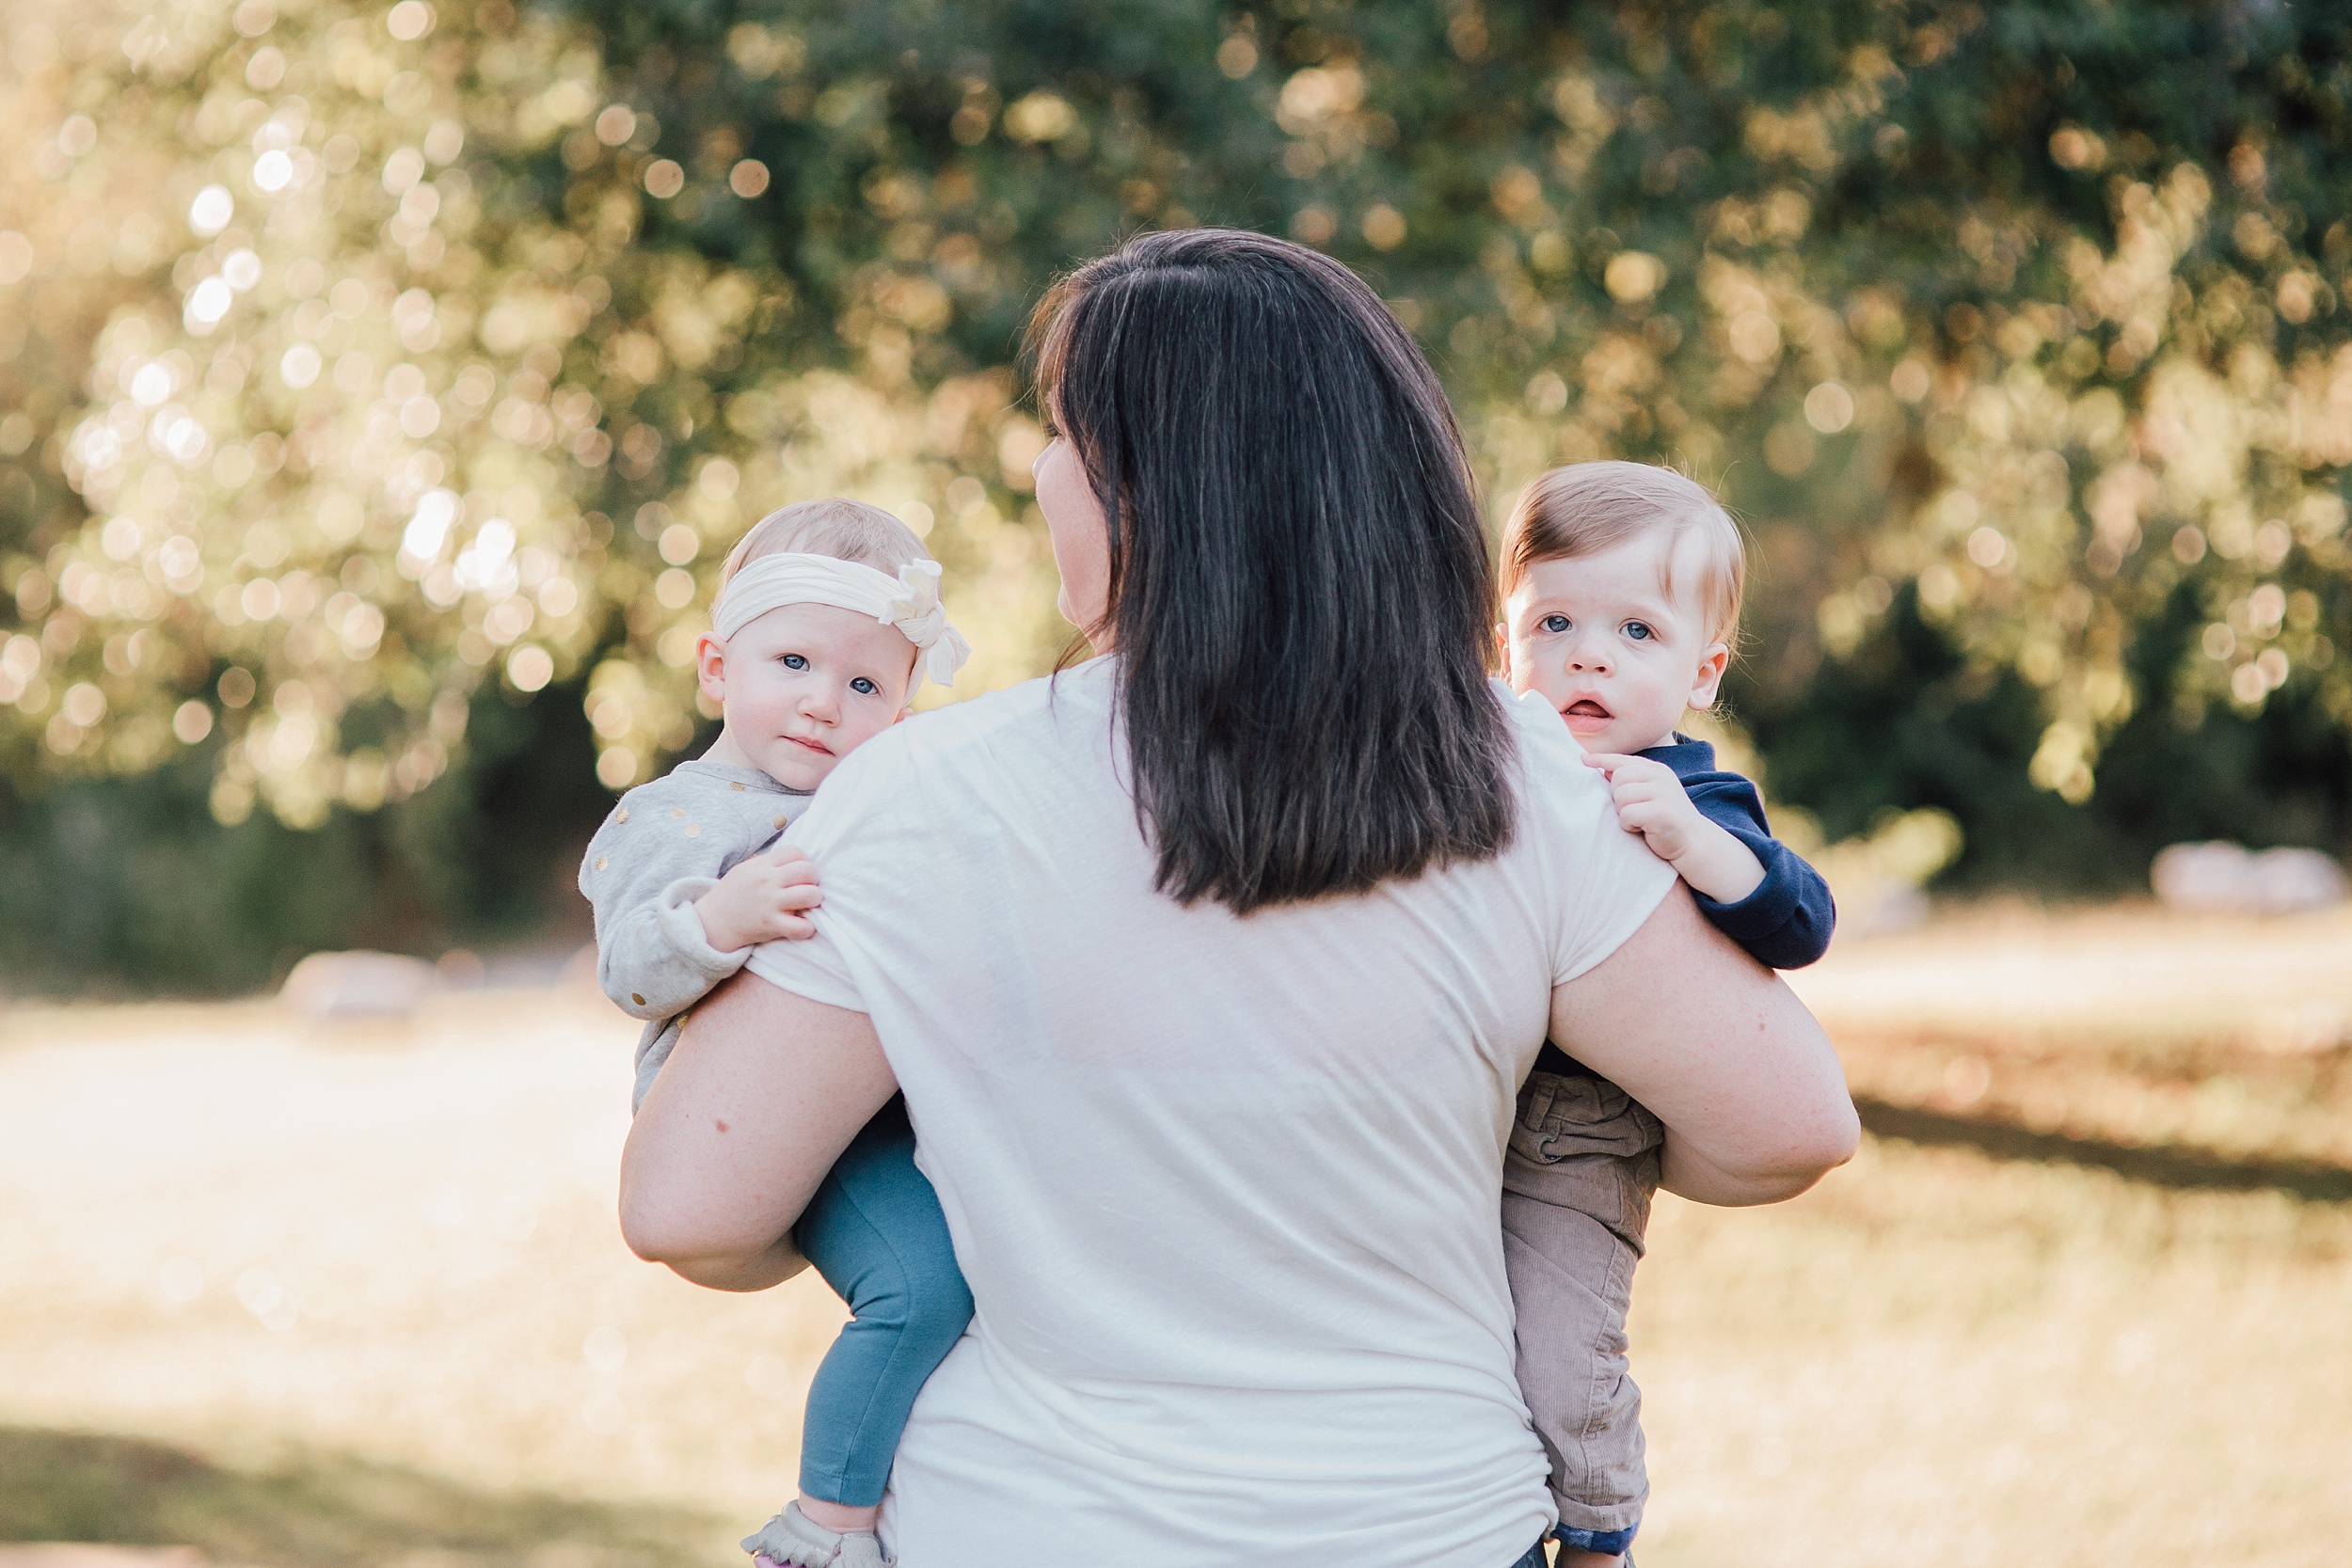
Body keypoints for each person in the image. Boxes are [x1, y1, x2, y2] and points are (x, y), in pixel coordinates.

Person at [618, 230, 1859, 1568]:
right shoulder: (1529, 778)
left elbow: (691, 1206)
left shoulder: (919, 796)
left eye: (1059, 435)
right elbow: (1784, 1127)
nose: (1041, 475)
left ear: (1145, 494)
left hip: (1030, 1524)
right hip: (1424, 1523)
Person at [579, 499, 977, 1568]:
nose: (821, 703)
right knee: (921, 1285)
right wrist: (719, 919)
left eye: (862, 685)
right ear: (717, 667)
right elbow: (627, 967)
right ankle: (823, 1525)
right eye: (792, 661)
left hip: (897, 1102)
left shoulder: (880, 800)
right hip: (783, 1128)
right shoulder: (675, 815)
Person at [1494, 461, 1837, 1561]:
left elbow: (1804, 922)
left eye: (1636, 631)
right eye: (1553, 620)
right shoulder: (1494, 757)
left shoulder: (1695, 790)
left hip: (1579, 1138)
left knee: (1562, 1353)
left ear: (1703, 670)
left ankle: (1599, 1532)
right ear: (1504, 641)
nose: (1587, 653)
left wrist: (1699, 848)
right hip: (1463, 1108)